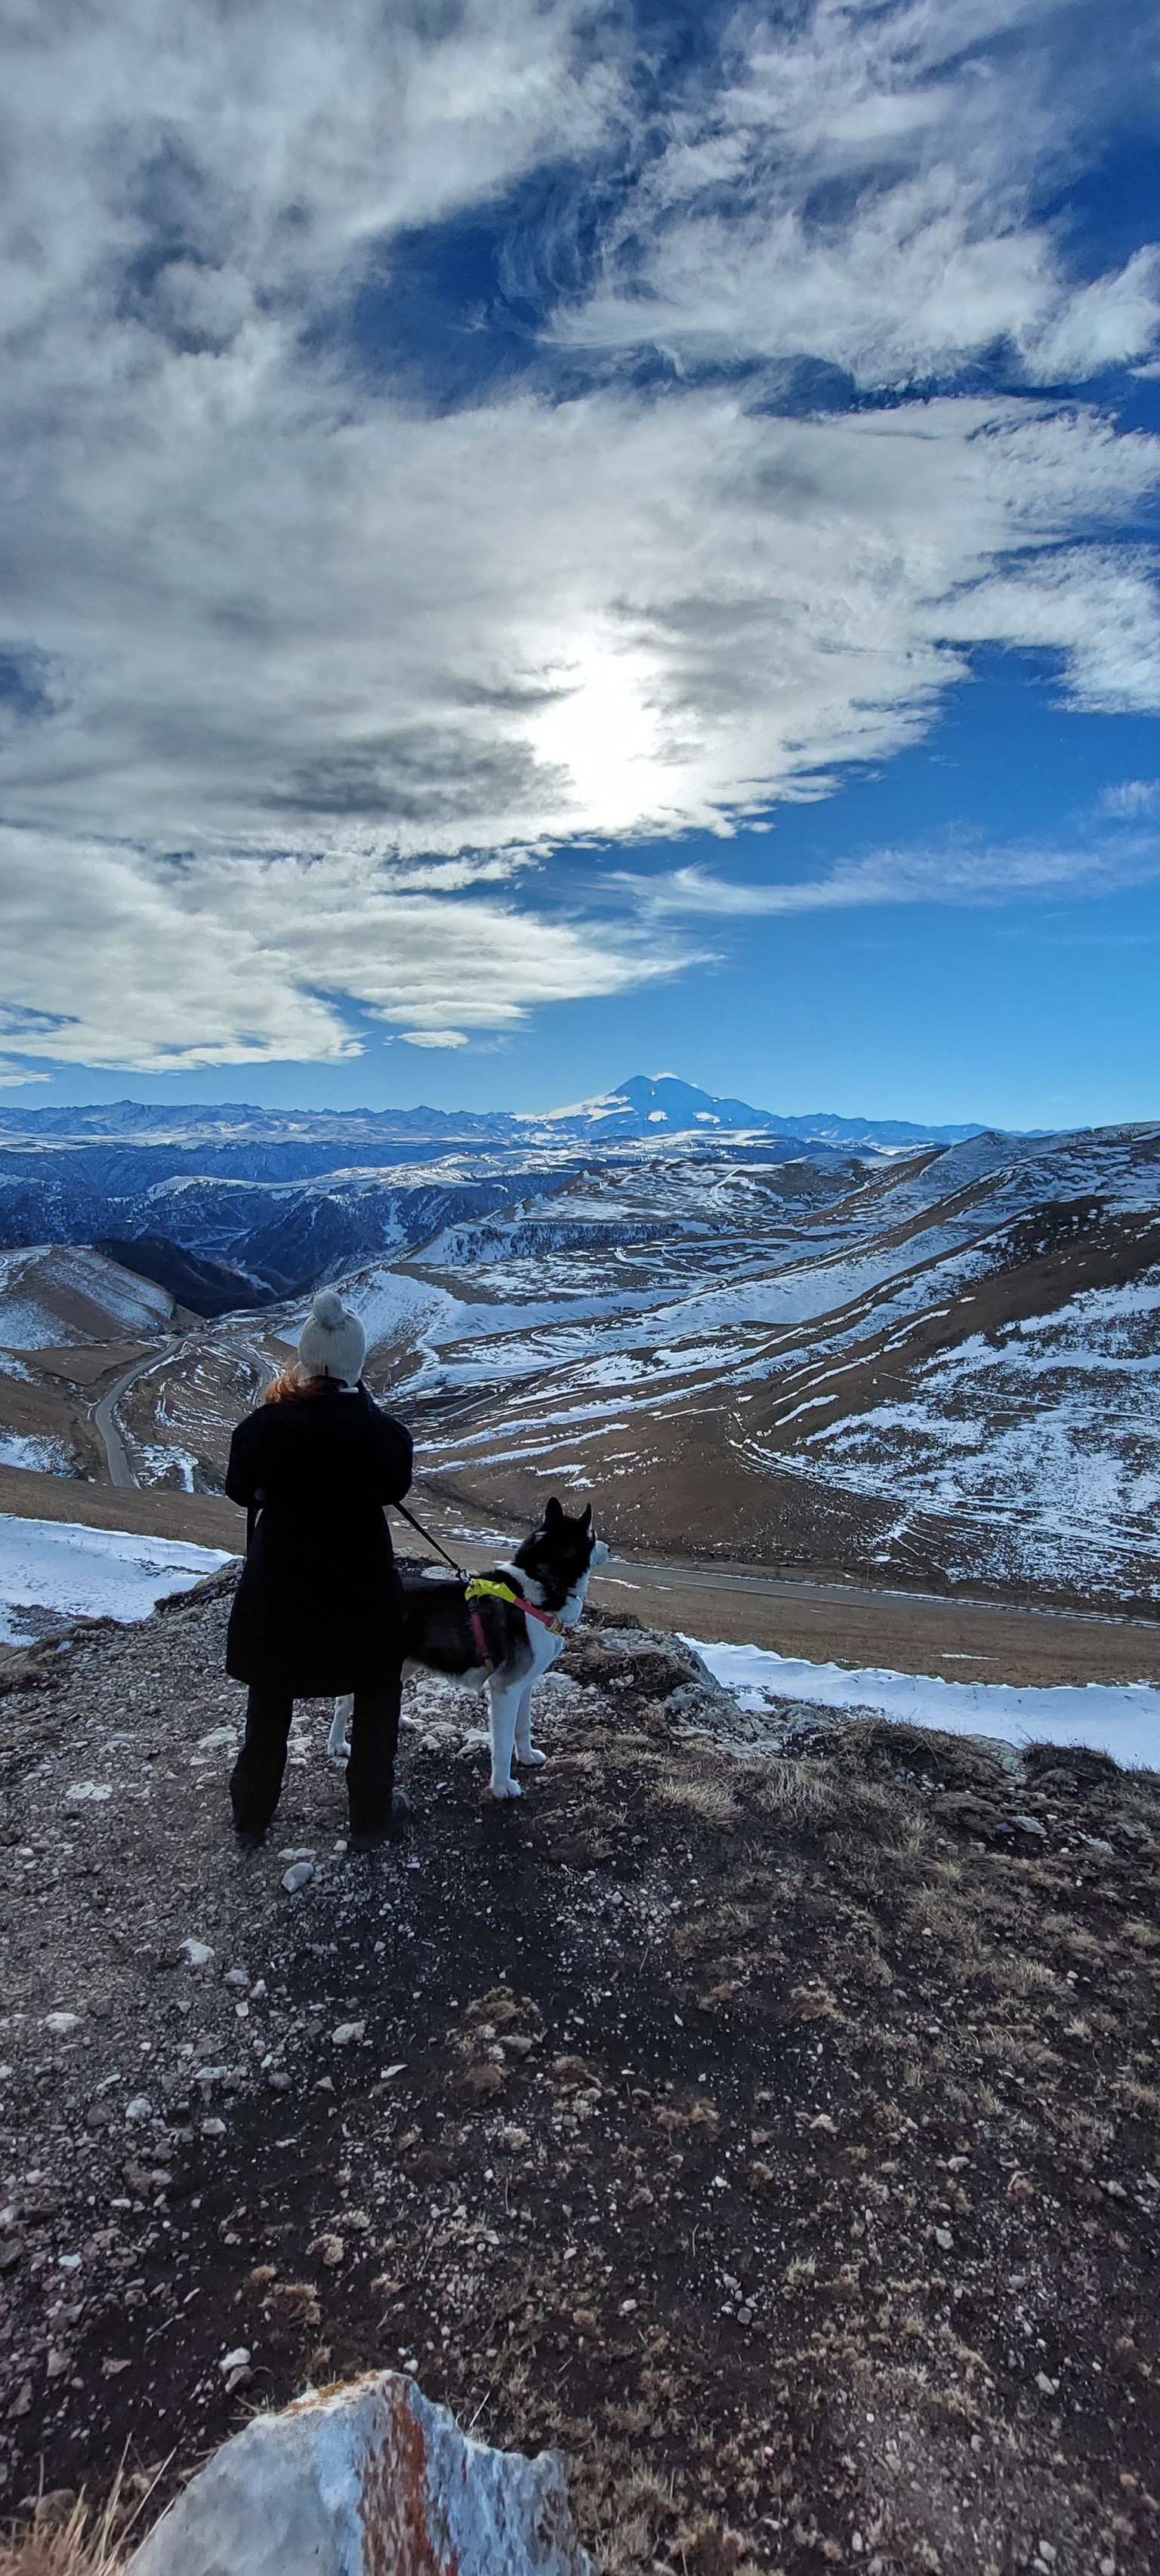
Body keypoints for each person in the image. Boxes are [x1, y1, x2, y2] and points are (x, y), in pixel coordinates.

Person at [224, 1289, 413, 1852]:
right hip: (361, 1591)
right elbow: (394, 1486)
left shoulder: (262, 1428)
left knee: (271, 1697)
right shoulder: (383, 1435)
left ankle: (252, 1816)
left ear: (304, 1361)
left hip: (281, 1587)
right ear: (356, 1366)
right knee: (377, 1690)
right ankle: (370, 1816)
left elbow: (239, 1490)